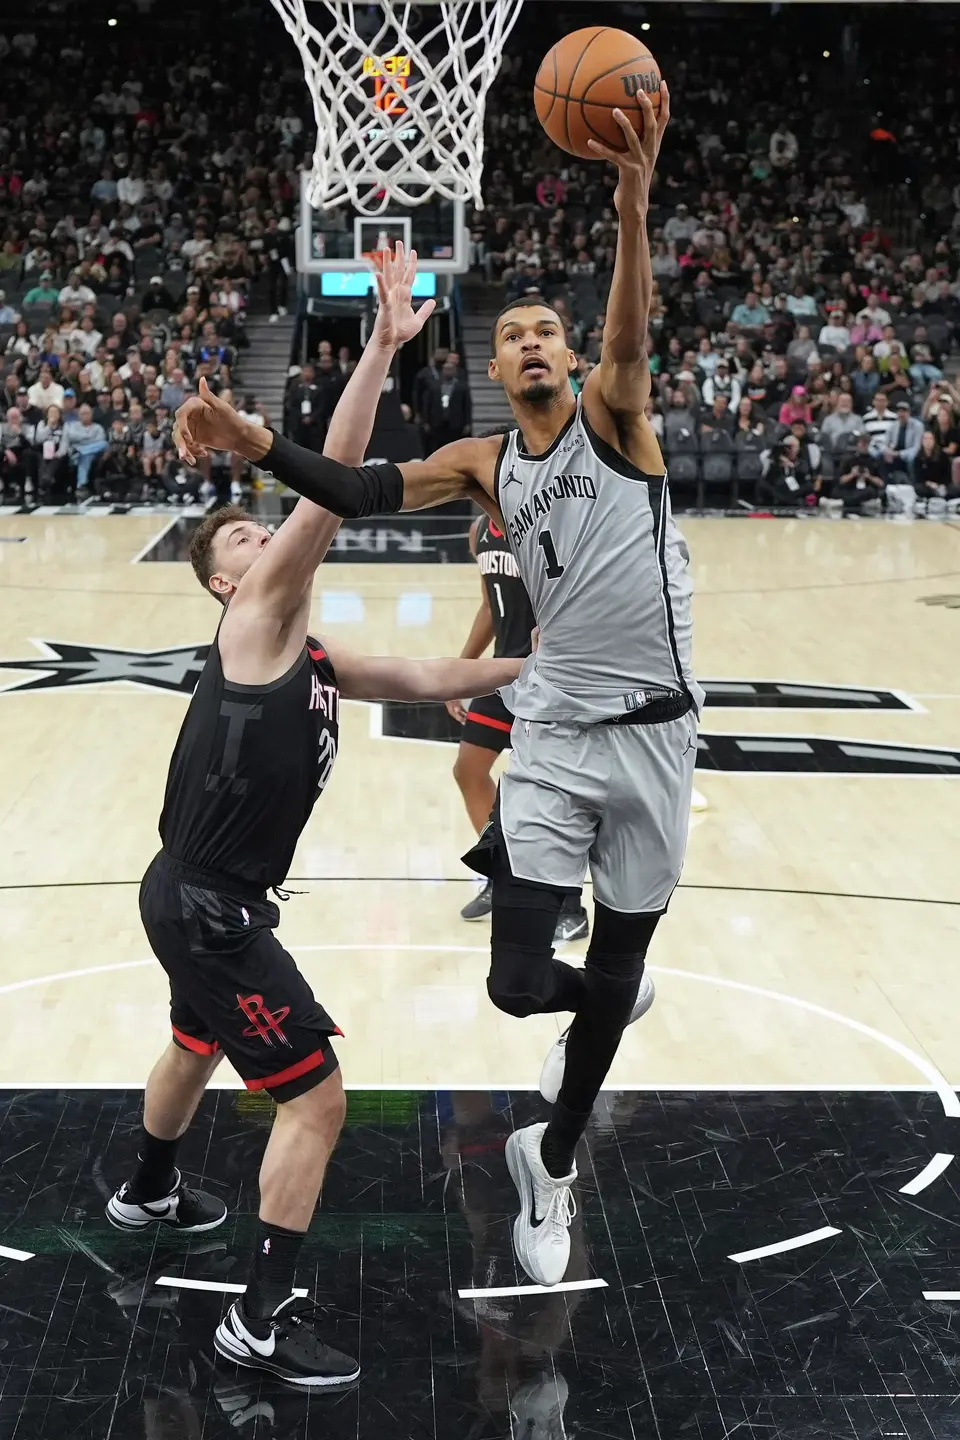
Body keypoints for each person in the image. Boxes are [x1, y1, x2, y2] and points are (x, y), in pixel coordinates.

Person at [174, 94, 699, 1292]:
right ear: (493, 364)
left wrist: (631, 204)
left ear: (571, 358)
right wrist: (261, 448)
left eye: (547, 331)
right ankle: (605, 1003)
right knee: (520, 984)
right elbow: (360, 493)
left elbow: (631, 331)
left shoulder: (617, 420)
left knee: (613, 972)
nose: (531, 342)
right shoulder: (480, 462)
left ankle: (549, 1161)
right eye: (512, 333)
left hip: (658, 740)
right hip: (556, 728)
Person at [107, 248, 528, 1386]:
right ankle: (258, 1318)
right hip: (211, 908)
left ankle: (147, 1190)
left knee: (196, 1043)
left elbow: (425, 675)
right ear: (222, 582)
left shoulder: (311, 652)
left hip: (189, 894)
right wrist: (382, 347)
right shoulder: (254, 617)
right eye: (244, 540)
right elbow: (334, 481)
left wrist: (533, 668)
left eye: (261, 534)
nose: (264, 539)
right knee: (317, 1100)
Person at [449, 506, 590, 944]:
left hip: (548, 678)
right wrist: (462, 669)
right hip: (503, 673)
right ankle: (502, 873)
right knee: (468, 769)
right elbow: (489, 607)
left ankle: (569, 904)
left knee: (552, 793)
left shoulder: (544, 525)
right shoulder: (479, 531)